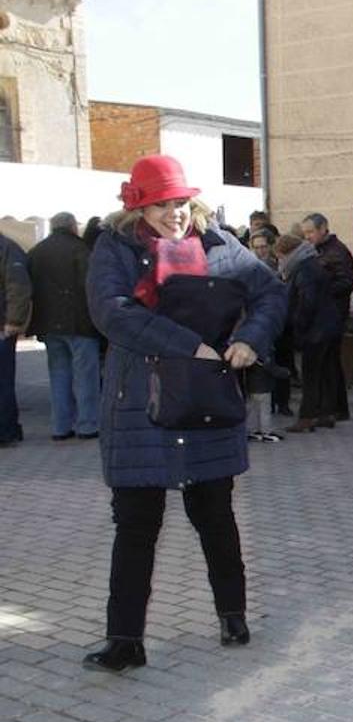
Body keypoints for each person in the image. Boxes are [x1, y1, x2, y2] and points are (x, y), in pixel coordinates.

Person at [82, 154, 286, 672]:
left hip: (206, 402)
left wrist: (249, 339)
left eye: (180, 203)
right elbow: (112, 313)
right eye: (160, 205)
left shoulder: (221, 245)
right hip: (140, 406)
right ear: (138, 209)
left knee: (215, 516)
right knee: (135, 526)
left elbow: (270, 293)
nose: (174, 214)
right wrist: (189, 345)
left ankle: (232, 614)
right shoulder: (117, 249)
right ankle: (125, 639)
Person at [28, 212, 100, 441]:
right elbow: (90, 286)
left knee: (58, 375)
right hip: (79, 323)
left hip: (48, 324)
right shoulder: (81, 250)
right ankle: (87, 425)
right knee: (85, 376)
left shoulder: (36, 251)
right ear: (72, 227)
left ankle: (60, 426)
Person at [275, 234, 343, 433]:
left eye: (280, 256)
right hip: (329, 326)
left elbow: (307, 302)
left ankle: (307, 417)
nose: (280, 261)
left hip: (315, 330)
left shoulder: (303, 269)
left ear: (287, 253)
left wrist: (299, 326)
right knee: (327, 373)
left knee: (311, 374)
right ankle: (327, 413)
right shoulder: (314, 264)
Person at [300, 212, 353, 420]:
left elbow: (348, 282)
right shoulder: (318, 251)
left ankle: (331, 408)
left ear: (323, 228)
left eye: (311, 232)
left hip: (332, 314)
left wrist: (321, 290)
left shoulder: (336, 252)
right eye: (304, 233)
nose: (307, 236)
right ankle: (334, 408)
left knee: (328, 362)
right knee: (328, 363)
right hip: (325, 315)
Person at [0, 231, 31, 448]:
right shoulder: (8, 248)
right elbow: (18, 285)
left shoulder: (6, 248)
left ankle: (6, 429)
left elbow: (17, 286)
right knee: (3, 381)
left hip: (2, 326)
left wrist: (13, 320)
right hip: (3, 326)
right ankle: (6, 430)